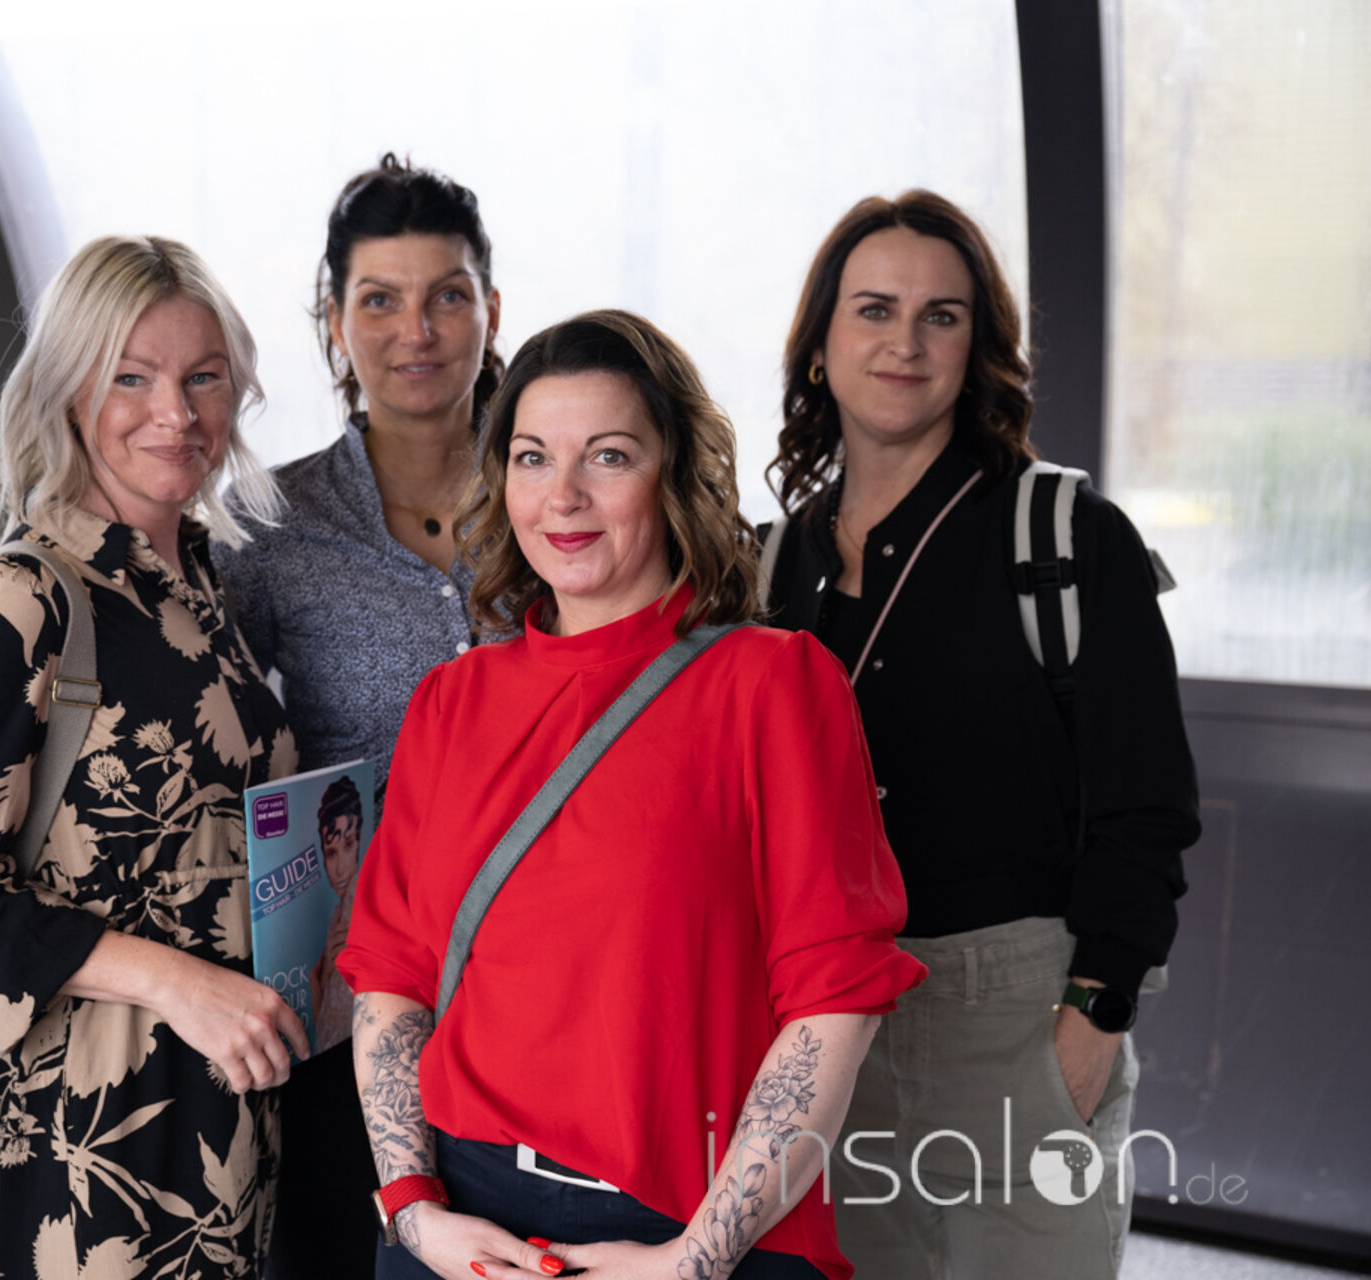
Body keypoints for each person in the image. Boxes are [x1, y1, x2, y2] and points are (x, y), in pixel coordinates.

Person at [338, 310, 928, 1280]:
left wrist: (697, 1255)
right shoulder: (452, 700)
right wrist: (412, 1208)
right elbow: (391, 976)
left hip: (690, 1221)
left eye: (608, 455)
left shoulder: (773, 685)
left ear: (674, 473)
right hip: (457, 1218)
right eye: (532, 457)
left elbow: (833, 1003)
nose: (562, 495)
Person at [759, 190, 1199, 1277]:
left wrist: (1092, 1020)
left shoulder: (1066, 536)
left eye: (941, 316)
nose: (905, 342)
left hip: (1021, 1020)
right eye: (874, 309)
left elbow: (1149, 806)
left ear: (978, 346)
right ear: (819, 344)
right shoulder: (772, 566)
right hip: (830, 1027)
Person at [0, 235, 307, 1280]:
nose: (177, 413)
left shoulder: (208, 589)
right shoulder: (16, 594)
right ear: (69, 390)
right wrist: (177, 982)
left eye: (204, 377)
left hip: (238, 1102)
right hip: (97, 1122)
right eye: (132, 377)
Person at [212, 153, 503, 1277]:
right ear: (332, 322)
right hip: (352, 989)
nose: (415, 330)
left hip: (546, 975)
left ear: (491, 308)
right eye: (379, 299)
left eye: (447, 295)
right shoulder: (270, 525)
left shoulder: (560, 493)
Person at [308, 775, 364, 1056]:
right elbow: (323, 1023)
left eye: (349, 845)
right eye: (330, 853)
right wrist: (327, 972)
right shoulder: (334, 917)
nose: (340, 869)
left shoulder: (368, 905)